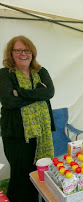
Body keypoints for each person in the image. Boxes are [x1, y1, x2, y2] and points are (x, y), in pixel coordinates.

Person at [0, 35, 55, 202]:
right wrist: (38, 94)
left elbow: (49, 93)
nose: (23, 54)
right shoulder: (4, 74)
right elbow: (9, 101)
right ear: (11, 53)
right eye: (18, 50)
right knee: (21, 175)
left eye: (26, 50)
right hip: (16, 134)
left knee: (38, 172)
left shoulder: (41, 72)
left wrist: (21, 92)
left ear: (32, 53)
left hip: (41, 131)